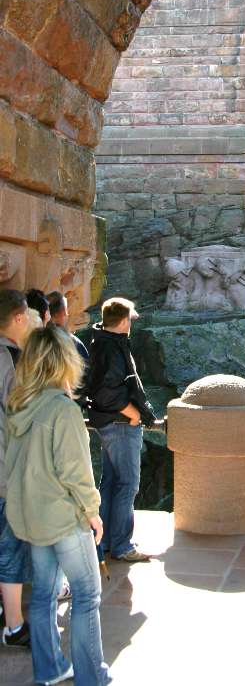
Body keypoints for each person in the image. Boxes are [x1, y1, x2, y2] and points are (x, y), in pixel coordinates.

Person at [5, 324, 111, 685]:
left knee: (43, 595)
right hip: (64, 518)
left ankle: (49, 670)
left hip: (31, 517)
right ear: (64, 361)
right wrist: (93, 513)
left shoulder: (18, 406)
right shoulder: (62, 411)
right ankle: (91, 676)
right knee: (87, 595)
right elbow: (76, 473)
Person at [86, 297, 157, 562]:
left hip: (107, 423)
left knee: (110, 482)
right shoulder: (112, 347)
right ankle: (122, 545)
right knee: (127, 484)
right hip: (120, 424)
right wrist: (134, 414)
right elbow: (107, 393)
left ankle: (103, 541)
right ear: (125, 321)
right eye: (131, 320)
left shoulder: (101, 341)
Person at [0, 289, 31, 647]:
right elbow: (19, 416)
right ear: (20, 317)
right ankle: (14, 626)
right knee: (11, 548)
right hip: (5, 471)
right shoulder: (10, 358)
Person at [47, 291, 89, 362]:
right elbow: (85, 366)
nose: (67, 314)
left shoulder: (35, 340)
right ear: (63, 312)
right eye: (66, 310)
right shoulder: (74, 344)